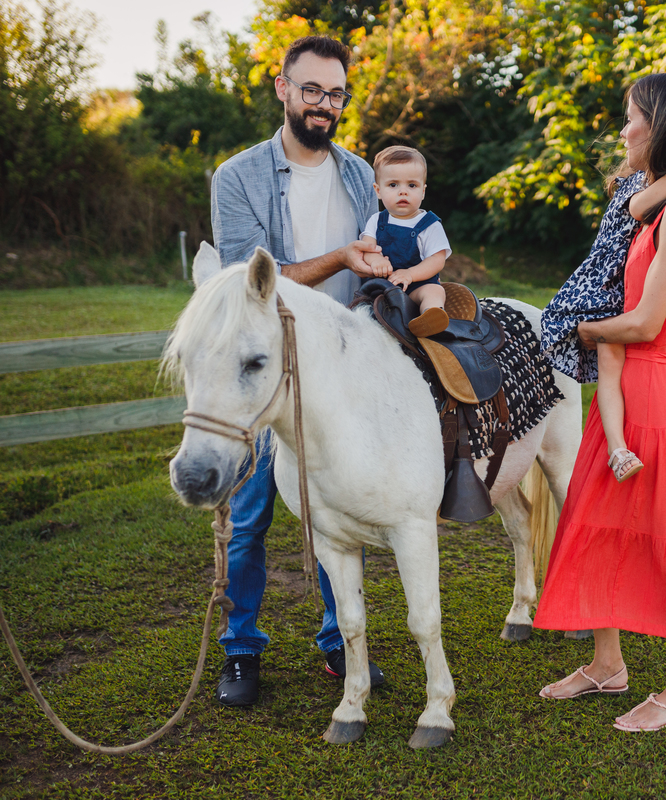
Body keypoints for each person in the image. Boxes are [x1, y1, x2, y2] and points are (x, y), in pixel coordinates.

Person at [532, 72, 666, 733]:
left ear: (662, 125)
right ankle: (608, 665)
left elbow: (645, 324)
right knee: (596, 526)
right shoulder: (662, 204)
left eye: (631, 117)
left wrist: (584, 330)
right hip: (625, 391)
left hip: (655, 392)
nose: (621, 129)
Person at [208, 35, 388, 707]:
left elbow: (376, 261)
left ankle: (341, 644)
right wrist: (343, 258)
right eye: (310, 89)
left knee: (339, 510)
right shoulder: (238, 177)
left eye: (336, 93)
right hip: (266, 372)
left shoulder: (358, 172)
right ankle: (242, 651)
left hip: (340, 374)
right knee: (251, 517)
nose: (324, 104)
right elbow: (248, 281)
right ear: (283, 89)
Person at [540, 129, 666, 481]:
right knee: (611, 361)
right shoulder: (642, 184)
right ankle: (618, 448)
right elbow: (637, 208)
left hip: (640, 291)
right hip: (608, 290)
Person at [360, 145, 453, 337]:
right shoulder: (376, 220)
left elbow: (437, 259)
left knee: (434, 291)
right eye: (393, 185)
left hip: (417, 285)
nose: (403, 192)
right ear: (378, 190)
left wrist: (410, 274)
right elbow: (367, 247)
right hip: (383, 287)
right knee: (362, 300)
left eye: (412, 185)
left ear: (423, 191)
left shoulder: (429, 224)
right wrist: (376, 260)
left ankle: (431, 316)